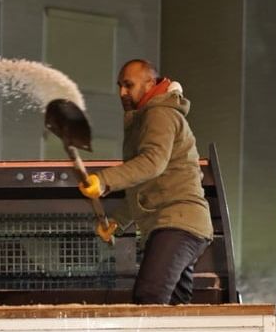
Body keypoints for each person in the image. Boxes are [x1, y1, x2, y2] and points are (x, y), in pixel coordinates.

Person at [79, 59, 214, 305]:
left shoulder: (160, 113)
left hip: (178, 225)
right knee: (174, 304)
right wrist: (117, 221)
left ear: (150, 82)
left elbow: (152, 163)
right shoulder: (149, 117)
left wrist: (104, 180)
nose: (122, 92)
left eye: (128, 85)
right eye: (120, 86)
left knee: (149, 297)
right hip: (180, 225)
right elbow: (147, 188)